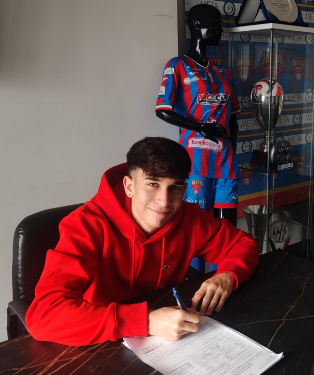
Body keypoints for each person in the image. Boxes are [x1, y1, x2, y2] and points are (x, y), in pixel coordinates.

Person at [26, 137, 259, 346]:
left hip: (169, 334)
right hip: (99, 337)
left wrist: (227, 276)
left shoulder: (188, 217)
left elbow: (242, 244)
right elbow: (43, 316)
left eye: (174, 187)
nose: (164, 201)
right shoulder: (85, 225)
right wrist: (145, 321)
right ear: (129, 186)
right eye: (153, 184)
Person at [155, 4, 240, 230]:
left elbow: (233, 118)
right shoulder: (178, 65)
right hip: (195, 161)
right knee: (195, 229)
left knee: (227, 230)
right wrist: (200, 127)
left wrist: (232, 149)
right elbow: (162, 110)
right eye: (216, 25)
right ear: (196, 25)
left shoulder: (224, 74)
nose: (221, 30)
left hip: (226, 162)